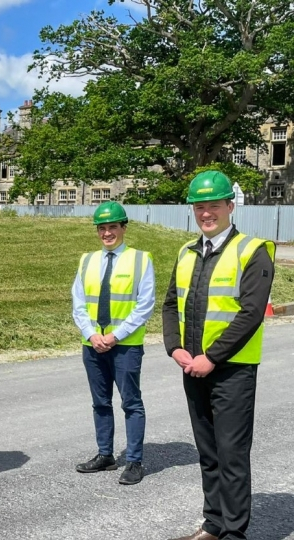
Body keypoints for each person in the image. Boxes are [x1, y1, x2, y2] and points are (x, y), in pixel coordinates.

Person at [163, 172, 275, 540]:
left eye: (214, 205)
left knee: (231, 455)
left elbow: (251, 313)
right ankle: (213, 524)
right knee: (208, 452)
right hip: (192, 367)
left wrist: (211, 357)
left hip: (232, 371)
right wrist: (174, 347)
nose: (206, 213)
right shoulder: (187, 251)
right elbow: (170, 304)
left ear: (230, 206)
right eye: (200, 206)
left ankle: (233, 532)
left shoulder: (253, 250)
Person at [71, 201, 155, 485]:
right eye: (102, 228)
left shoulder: (141, 260)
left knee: (131, 402)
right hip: (92, 344)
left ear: (124, 228)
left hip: (126, 345)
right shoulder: (87, 260)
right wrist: (92, 334)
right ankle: (105, 454)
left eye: (113, 227)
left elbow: (145, 306)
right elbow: (78, 303)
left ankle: (134, 461)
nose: (107, 233)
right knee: (100, 402)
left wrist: (114, 336)